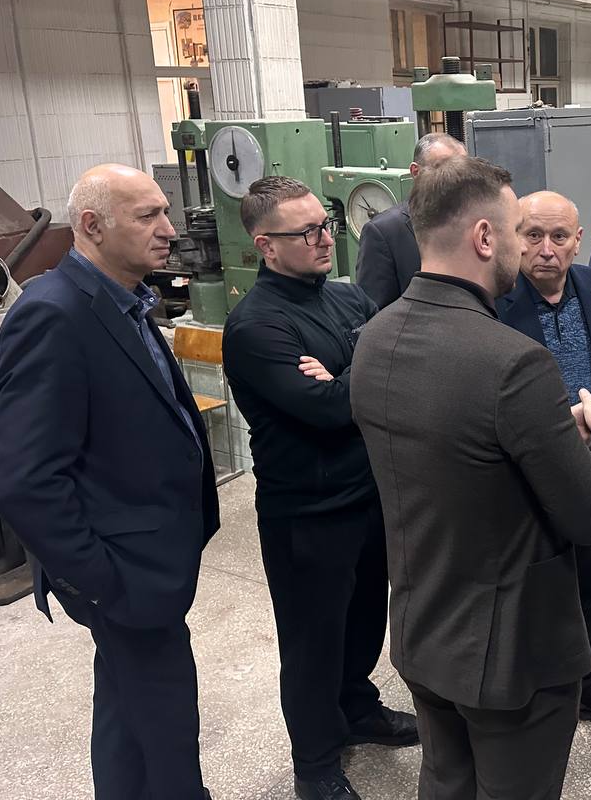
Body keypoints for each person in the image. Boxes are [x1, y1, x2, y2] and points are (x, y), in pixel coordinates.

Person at [352, 158, 591, 800]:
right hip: (510, 658)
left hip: (424, 632)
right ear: (484, 237)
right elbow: (588, 513)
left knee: (446, 783)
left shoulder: (376, 336)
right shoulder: (512, 361)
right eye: (514, 231)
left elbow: (456, 446)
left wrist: (550, 431)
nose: (525, 249)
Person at [0, 164, 220, 800]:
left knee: (129, 715)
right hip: (123, 571)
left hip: (147, 558)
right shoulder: (54, 314)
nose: (169, 229)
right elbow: (27, 480)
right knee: (166, 726)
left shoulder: (126, 299)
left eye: (165, 212)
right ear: (92, 226)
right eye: (149, 216)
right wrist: (101, 581)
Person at [222, 177, 417, 800]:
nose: (325, 238)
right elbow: (330, 411)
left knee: (363, 622)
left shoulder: (347, 297)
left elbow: (399, 361)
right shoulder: (255, 326)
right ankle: (316, 765)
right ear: (265, 245)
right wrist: (358, 375)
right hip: (307, 513)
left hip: (368, 496)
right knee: (312, 644)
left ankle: (356, 708)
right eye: (306, 232)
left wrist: (343, 374)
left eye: (325, 224)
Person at [496, 190, 591, 734]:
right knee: (530, 587)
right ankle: (534, 689)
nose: (546, 249)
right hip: (524, 475)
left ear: (577, 241)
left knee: (590, 581)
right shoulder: (493, 303)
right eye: (533, 235)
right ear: (514, 238)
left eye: (559, 236)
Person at [353, 131, 468, 307]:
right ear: (416, 171)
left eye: (462, 170)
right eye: (443, 169)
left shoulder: (472, 221)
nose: (456, 178)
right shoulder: (384, 233)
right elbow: (374, 309)